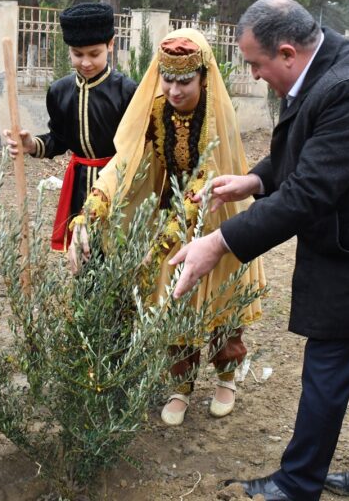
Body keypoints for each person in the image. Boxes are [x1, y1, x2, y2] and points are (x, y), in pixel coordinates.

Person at [170, 0, 349, 500]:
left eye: (255, 64)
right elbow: (303, 148)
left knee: (330, 362)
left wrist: (219, 242)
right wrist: (255, 180)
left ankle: (296, 485)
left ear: (286, 52)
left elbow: (310, 192)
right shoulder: (322, 66)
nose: (254, 75)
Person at [67, 29, 266, 426]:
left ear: (203, 78)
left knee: (221, 302)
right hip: (171, 217)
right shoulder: (157, 112)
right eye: (167, 78)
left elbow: (205, 179)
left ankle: (226, 377)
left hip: (216, 217)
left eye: (184, 81)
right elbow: (125, 164)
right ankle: (182, 384)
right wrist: (90, 213)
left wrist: (164, 240)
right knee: (176, 299)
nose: (174, 89)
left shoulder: (214, 114)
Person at [5, 2, 137, 250]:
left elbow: (135, 149)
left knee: (115, 254)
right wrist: (32, 144)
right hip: (78, 187)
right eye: (78, 54)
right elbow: (58, 139)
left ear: (110, 44)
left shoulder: (127, 92)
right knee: (82, 256)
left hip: (117, 186)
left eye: (94, 54)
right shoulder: (59, 91)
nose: (85, 62)